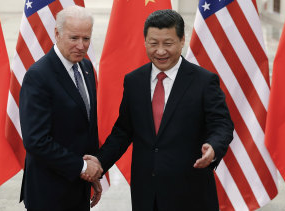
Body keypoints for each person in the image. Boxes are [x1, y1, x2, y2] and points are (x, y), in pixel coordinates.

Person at [84, 9, 234, 211]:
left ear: (182, 40)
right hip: (147, 195)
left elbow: (222, 125)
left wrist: (213, 147)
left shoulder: (204, 81)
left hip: (191, 195)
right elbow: (123, 132)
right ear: (145, 42)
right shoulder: (134, 81)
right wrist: (99, 162)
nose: (160, 51)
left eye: (168, 43)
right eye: (154, 43)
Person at [19, 5, 103, 211]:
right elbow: (36, 140)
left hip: (78, 188)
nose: (81, 46)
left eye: (86, 38)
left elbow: (87, 126)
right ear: (57, 34)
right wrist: (83, 167)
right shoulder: (39, 76)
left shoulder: (86, 68)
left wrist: (92, 174)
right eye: (74, 38)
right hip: (48, 193)